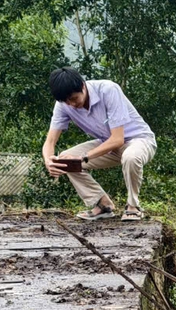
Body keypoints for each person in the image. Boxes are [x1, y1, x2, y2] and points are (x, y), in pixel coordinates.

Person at [40, 68, 157, 221]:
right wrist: (49, 160)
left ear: (83, 86)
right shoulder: (63, 104)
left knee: (130, 156)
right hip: (106, 144)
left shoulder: (108, 90)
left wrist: (83, 158)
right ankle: (103, 205)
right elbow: (50, 141)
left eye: (74, 98)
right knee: (64, 160)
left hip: (139, 140)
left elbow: (117, 139)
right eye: (67, 101)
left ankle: (133, 207)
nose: (72, 104)